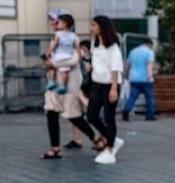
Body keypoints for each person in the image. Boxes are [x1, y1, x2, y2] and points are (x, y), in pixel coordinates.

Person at [40, 35, 101, 160]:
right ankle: (55, 148)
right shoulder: (55, 51)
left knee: (74, 117)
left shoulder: (74, 51)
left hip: (70, 89)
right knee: (51, 114)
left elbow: (72, 62)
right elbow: (46, 64)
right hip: (54, 89)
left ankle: (96, 140)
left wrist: (53, 63)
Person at [87, 15, 125, 165]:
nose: (91, 28)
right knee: (91, 115)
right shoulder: (94, 43)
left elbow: (115, 68)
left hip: (110, 84)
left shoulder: (113, 46)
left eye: (94, 25)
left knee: (109, 117)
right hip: (97, 83)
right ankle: (113, 139)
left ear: (102, 27)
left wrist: (114, 89)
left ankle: (110, 149)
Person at [122, 38, 156, 121]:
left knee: (132, 96)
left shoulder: (133, 51)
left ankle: (126, 110)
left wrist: (126, 75)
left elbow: (127, 65)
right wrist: (150, 75)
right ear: (150, 45)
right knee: (149, 97)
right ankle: (150, 115)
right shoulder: (149, 52)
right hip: (146, 78)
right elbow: (150, 64)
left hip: (134, 78)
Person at [44, 14, 78, 94]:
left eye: (58, 22)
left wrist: (49, 52)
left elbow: (55, 44)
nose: (56, 24)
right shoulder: (73, 35)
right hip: (68, 55)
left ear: (64, 24)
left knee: (50, 67)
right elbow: (75, 46)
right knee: (63, 71)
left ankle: (51, 81)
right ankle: (62, 85)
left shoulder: (58, 34)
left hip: (59, 55)